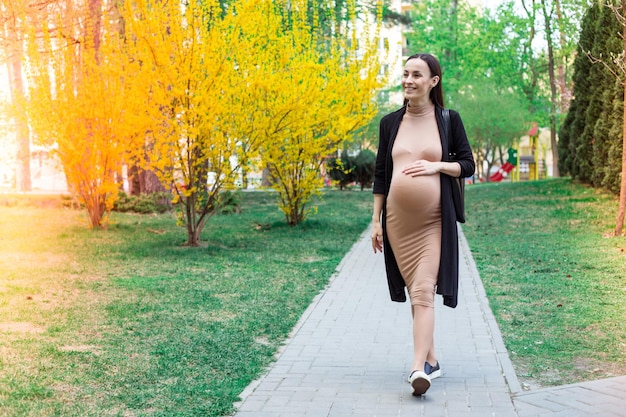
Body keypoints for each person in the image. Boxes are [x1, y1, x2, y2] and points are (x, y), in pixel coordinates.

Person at [371, 53, 475, 396]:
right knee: (418, 293)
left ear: (433, 81)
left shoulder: (448, 119)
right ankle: (431, 359)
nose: (409, 80)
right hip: (398, 223)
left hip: (434, 221)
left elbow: (467, 165)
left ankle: (418, 370)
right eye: (405, 74)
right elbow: (381, 175)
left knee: (423, 291)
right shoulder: (390, 123)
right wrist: (376, 221)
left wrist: (436, 168)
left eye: (417, 75)